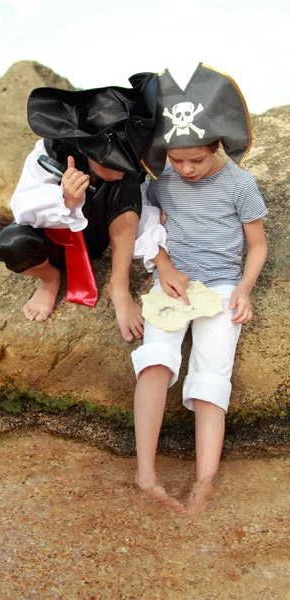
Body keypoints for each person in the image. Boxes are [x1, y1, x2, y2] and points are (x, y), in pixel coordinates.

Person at [131, 64, 268, 512]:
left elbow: (257, 245)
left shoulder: (240, 184)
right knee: (156, 359)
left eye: (197, 160)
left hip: (224, 283)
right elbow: (147, 230)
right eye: (176, 160)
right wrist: (165, 266)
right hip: (173, 282)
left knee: (211, 371)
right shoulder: (162, 183)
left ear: (218, 147)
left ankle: (204, 479)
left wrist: (244, 289)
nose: (186, 169)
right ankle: (146, 474)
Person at [0, 75, 165, 343]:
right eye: (113, 165)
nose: (119, 173)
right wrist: (65, 200)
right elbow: (21, 210)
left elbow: (140, 209)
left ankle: (118, 287)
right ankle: (49, 280)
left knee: (129, 185)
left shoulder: (125, 174)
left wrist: (159, 258)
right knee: (11, 244)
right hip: (50, 245)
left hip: (94, 238)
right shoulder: (49, 152)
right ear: (89, 149)